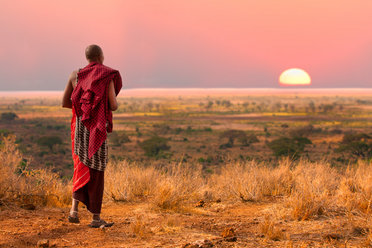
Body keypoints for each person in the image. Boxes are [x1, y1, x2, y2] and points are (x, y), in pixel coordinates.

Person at [62, 44, 122, 228]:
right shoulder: (107, 75)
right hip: (97, 129)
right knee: (96, 171)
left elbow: (65, 101)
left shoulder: (75, 75)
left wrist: (84, 109)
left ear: (87, 57)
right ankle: (96, 218)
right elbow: (113, 105)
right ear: (101, 56)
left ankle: (74, 210)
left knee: (81, 166)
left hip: (81, 127)